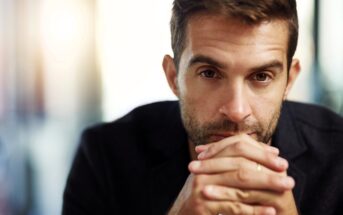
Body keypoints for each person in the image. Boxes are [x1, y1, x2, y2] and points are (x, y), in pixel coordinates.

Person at [62, 0, 343, 214]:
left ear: (289, 80)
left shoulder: (337, 156)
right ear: (174, 77)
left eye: (261, 77)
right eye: (209, 73)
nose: (236, 110)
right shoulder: (104, 156)